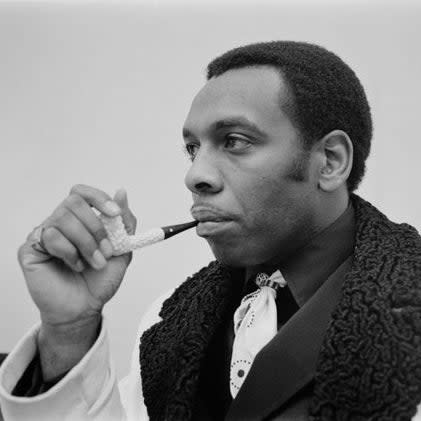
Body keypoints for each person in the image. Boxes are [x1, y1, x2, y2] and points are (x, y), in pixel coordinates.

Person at [0, 40, 421, 421]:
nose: (195, 175)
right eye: (192, 149)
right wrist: (69, 331)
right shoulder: (167, 322)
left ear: (329, 161)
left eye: (235, 140)